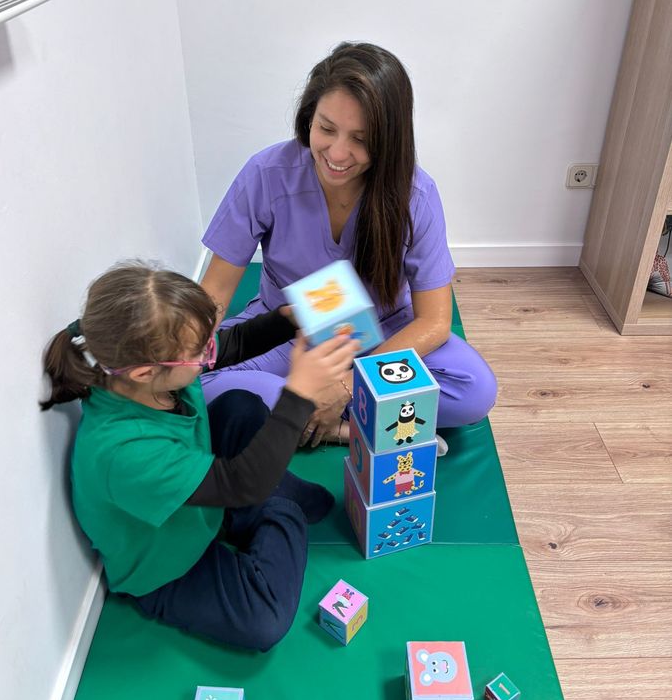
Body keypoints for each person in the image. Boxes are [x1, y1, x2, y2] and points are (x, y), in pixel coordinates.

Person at [40, 262, 358, 651]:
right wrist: (300, 393)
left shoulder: (151, 371)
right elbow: (242, 483)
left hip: (201, 501)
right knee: (263, 622)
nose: (210, 353)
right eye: (201, 350)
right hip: (169, 568)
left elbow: (234, 344)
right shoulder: (122, 452)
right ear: (144, 372)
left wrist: (284, 320)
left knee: (240, 405)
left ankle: (267, 509)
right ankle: (282, 512)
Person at [199, 42, 497, 454]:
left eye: (361, 139)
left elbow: (433, 321)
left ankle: (308, 413)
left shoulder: (417, 194)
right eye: (325, 129)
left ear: (389, 140)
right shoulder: (266, 174)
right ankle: (346, 425)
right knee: (191, 380)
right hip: (290, 329)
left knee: (473, 391)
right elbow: (214, 292)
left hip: (387, 331)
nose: (337, 154)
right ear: (308, 118)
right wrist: (175, 353)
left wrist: (349, 382)